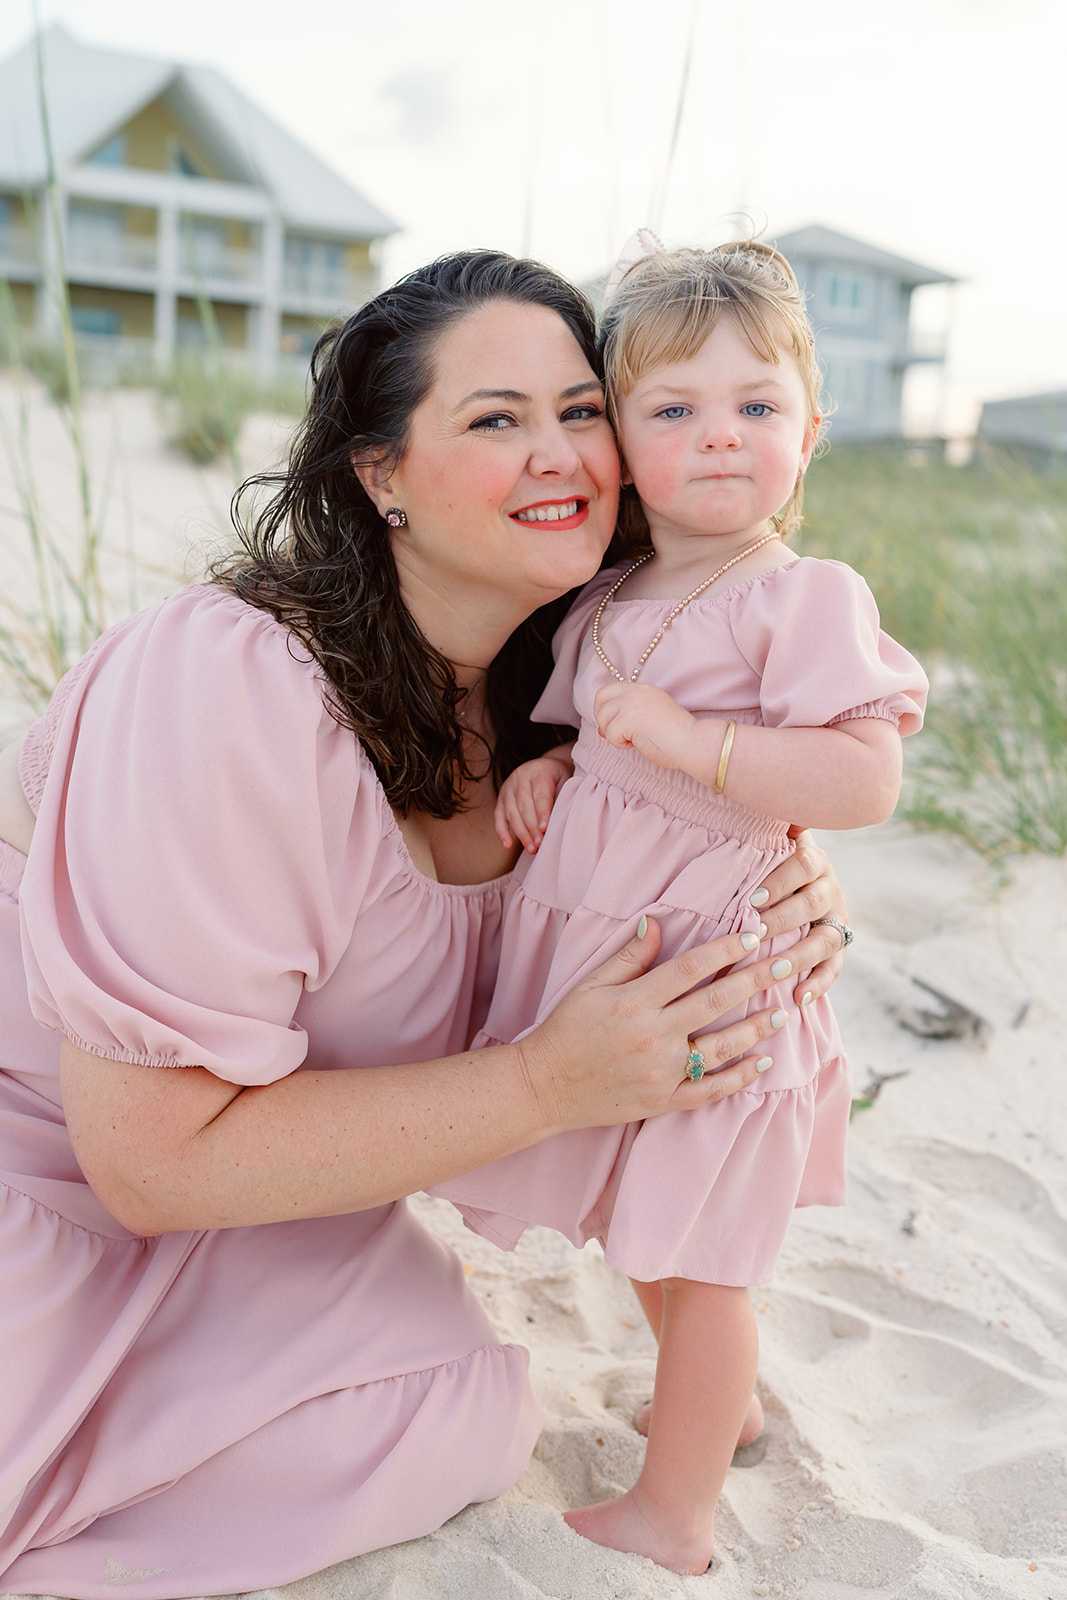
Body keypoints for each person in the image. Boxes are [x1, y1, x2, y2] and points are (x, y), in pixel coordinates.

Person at [0, 250, 850, 1599]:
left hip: (267, 1209)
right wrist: (542, 1082)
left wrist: (795, 885)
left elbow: (776, 789)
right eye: (495, 418)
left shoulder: (576, 706)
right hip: (69, 1189)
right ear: (380, 473)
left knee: (458, 1411)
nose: (559, 452)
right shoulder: (227, 688)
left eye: (582, 412)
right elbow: (146, 1165)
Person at [431, 239, 928, 1576]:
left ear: (810, 432)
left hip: (717, 982)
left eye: (756, 407)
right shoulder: (607, 598)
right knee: (650, 1226)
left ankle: (678, 1512)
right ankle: (734, 1409)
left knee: (704, 1263)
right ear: (624, 447)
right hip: (614, 974)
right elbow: (600, 743)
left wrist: (694, 745)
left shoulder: (800, 598)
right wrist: (552, 769)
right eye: (675, 410)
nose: (721, 439)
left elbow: (863, 773)